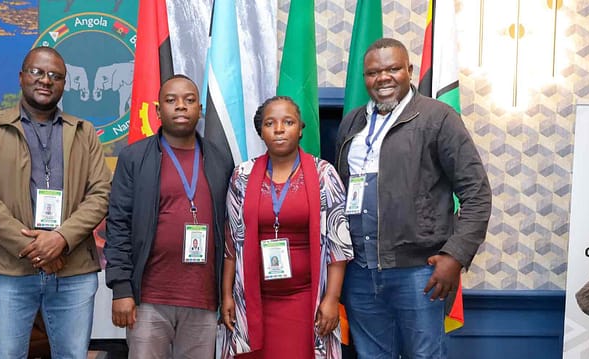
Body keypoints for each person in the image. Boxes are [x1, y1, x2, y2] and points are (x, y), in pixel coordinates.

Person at [335, 38, 492, 358]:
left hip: (420, 272)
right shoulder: (352, 122)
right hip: (360, 273)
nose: (383, 78)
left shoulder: (438, 118)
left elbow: (476, 193)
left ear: (409, 71)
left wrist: (455, 255)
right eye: (373, 72)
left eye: (393, 69)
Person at [0, 46, 111, 358]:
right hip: (10, 270)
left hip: (73, 271)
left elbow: (101, 194)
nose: (46, 80)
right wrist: (34, 247)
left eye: (55, 76)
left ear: (64, 84)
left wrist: (60, 239)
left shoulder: (84, 133)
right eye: (38, 72)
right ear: (21, 77)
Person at [105, 75, 233, 358]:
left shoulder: (220, 160)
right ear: (157, 110)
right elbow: (118, 225)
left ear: (200, 110)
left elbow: (231, 232)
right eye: (171, 100)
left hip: (203, 297)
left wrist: (227, 293)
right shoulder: (134, 158)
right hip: (148, 298)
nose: (180, 107)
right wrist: (121, 289)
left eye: (189, 100)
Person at [219, 96, 353, 359]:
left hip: (306, 299)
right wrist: (226, 296)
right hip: (253, 299)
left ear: (300, 128)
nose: (279, 129)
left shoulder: (324, 174)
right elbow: (231, 243)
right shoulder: (242, 176)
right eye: (270, 123)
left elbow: (339, 247)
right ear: (261, 131)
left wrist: (331, 299)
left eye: (288, 122)